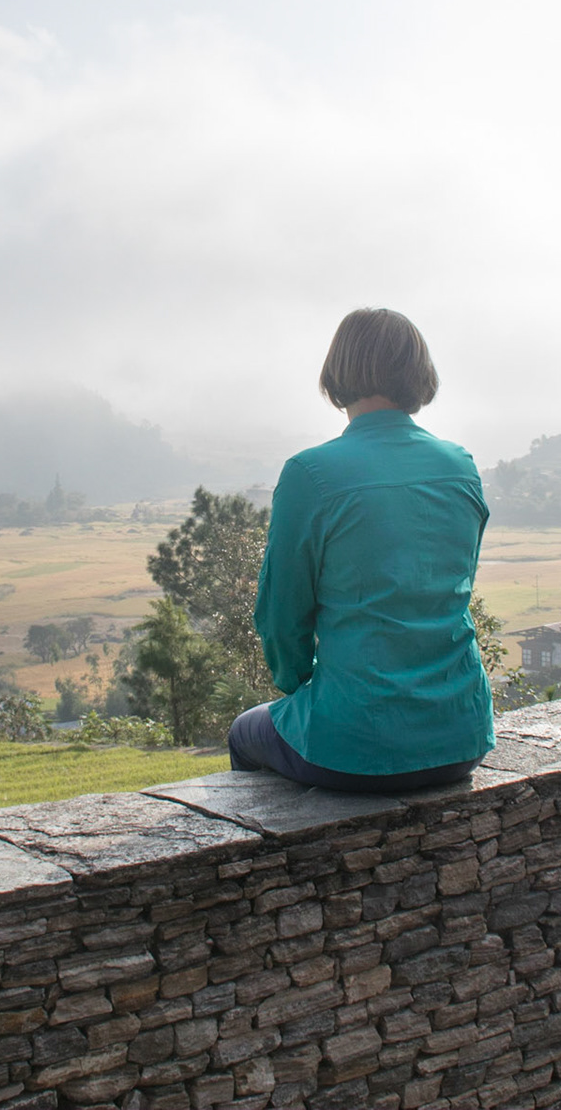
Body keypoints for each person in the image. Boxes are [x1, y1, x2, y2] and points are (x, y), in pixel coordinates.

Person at [228, 307, 495, 792]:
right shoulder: (461, 466)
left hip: (354, 744)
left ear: (338, 372)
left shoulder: (310, 474)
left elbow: (282, 613)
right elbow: (455, 587)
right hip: (462, 738)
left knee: (245, 731)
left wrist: (296, 682)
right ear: (420, 374)